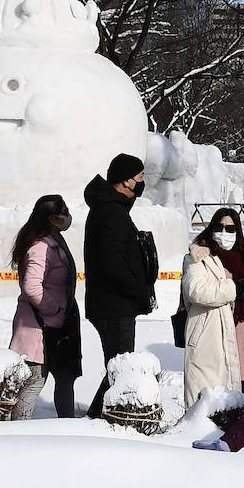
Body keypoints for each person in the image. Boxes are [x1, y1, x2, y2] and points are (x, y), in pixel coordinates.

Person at [83, 153, 152, 419]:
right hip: (114, 304)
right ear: (124, 181)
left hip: (114, 302)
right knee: (119, 367)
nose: (142, 183)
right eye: (139, 177)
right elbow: (112, 262)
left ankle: (102, 415)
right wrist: (137, 290)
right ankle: (98, 417)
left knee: (118, 364)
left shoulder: (112, 209)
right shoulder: (111, 212)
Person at [181, 207, 244, 408]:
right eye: (220, 227)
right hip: (211, 335)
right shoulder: (197, 256)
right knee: (212, 402)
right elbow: (196, 290)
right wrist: (235, 288)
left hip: (242, 333)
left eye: (231, 229)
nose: (225, 233)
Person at [9, 195, 82, 419]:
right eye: (64, 211)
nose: (68, 216)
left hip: (59, 328)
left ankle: (66, 430)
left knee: (65, 379)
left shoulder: (53, 240)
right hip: (39, 327)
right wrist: (54, 310)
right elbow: (31, 286)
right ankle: (17, 435)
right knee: (33, 384)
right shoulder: (41, 246)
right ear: (52, 218)